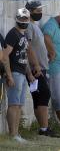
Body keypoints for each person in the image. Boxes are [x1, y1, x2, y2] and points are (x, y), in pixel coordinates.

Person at [25, 0, 60, 137]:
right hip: (36, 68)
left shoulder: (35, 25)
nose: (40, 12)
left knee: (39, 97)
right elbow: (28, 47)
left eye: (41, 10)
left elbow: (38, 46)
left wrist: (47, 55)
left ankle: (43, 128)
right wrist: (36, 65)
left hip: (41, 66)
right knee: (44, 95)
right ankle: (44, 129)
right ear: (30, 11)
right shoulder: (28, 26)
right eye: (37, 10)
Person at [2, 8, 31, 142]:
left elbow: (25, 56)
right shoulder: (13, 34)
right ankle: (12, 135)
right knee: (13, 104)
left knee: (19, 105)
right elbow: (5, 56)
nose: (24, 21)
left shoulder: (23, 35)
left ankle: (16, 134)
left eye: (26, 19)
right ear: (17, 19)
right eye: (21, 18)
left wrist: (29, 73)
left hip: (21, 73)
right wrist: (9, 75)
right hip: (14, 73)